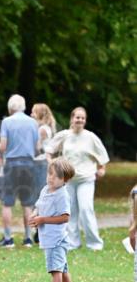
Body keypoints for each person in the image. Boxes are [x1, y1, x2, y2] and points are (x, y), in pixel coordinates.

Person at [46, 107, 110, 252]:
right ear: (72, 119)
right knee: (70, 212)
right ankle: (73, 243)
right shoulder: (65, 135)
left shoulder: (91, 137)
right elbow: (49, 149)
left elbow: (102, 156)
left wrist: (102, 169)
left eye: (82, 118)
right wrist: (51, 162)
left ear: (85, 121)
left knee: (86, 209)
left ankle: (94, 244)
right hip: (68, 180)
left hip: (86, 178)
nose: (79, 120)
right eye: (77, 117)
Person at [28, 158, 76, 282]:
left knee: (56, 272)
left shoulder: (62, 195)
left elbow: (65, 217)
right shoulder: (45, 190)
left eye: (56, 176)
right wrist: (35, 215)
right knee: (63, 271)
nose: (50, 178)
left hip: (56, 240)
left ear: (65, 180)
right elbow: (39, 207)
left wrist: (43, 219)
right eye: (49, 174)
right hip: (48, 238)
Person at [0, 94, 39, 248]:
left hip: (12, 164)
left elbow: (2, 146)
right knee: (27, 203)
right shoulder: (33, 123)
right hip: (28, 164)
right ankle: (28, 238)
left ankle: (8, 239)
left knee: (7, 203)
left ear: (10, 108)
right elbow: (37, 146)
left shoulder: (6, 122)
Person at [31, 102, 57, 198]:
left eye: (33, 112)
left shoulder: (42, 129)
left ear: (39, 114)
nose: (31, 115)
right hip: (41, 162)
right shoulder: (43, 128)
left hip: (40, 162)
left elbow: (37, 147)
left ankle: (40, 212)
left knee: (39, 190)